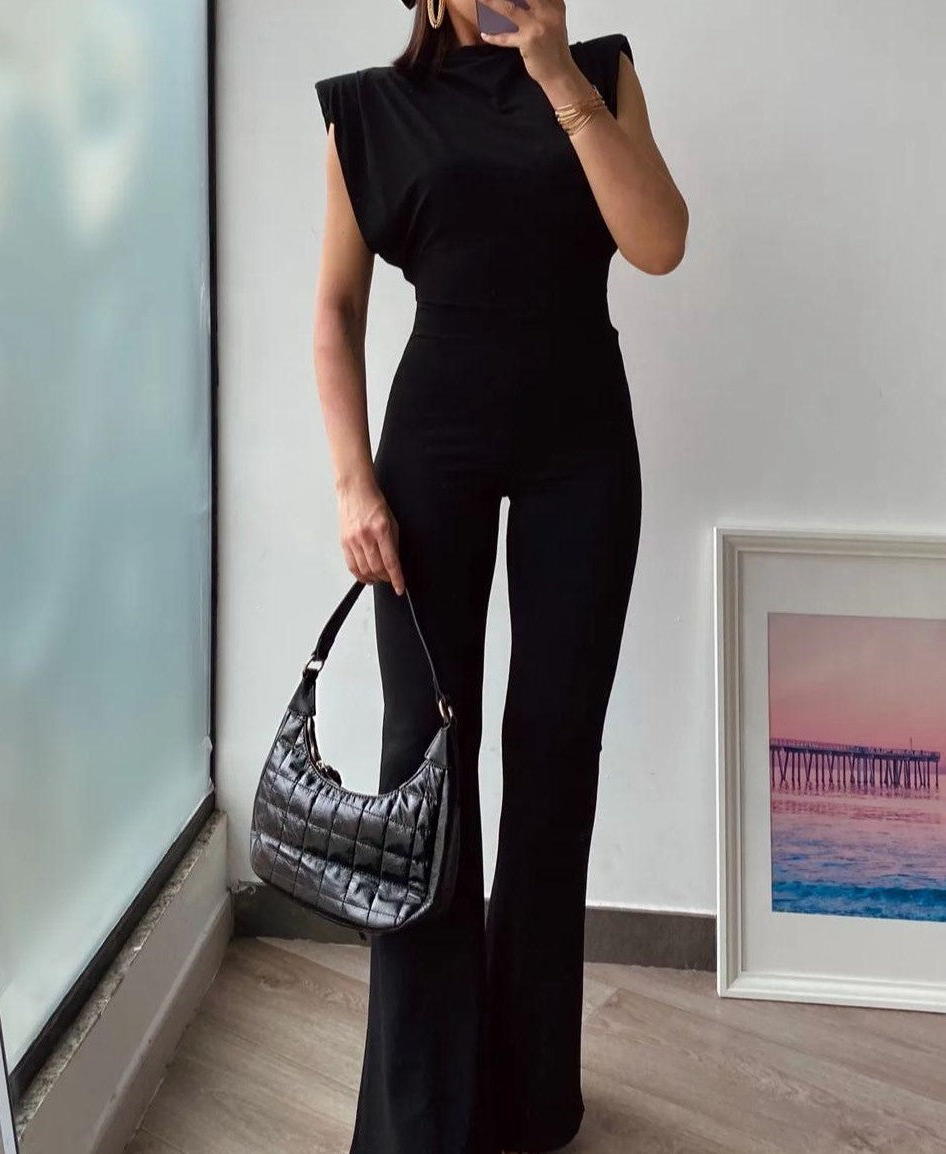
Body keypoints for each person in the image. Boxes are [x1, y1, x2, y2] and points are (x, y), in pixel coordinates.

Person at [312, 1, 687, 1151]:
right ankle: (422, 1118)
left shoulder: (600, 73)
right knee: (425, 759)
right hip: (432, 450)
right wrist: (352, 482)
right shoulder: (373, 110)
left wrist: (556, 75)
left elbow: (660, 242)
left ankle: (528, 1102)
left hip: (584, 449)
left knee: (555, 750)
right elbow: (334, 307)